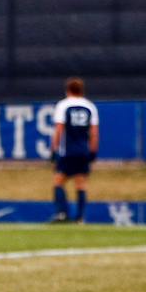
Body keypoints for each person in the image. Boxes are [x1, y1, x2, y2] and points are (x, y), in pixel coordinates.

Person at [48, 77, 99, 224]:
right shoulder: (90, 107)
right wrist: (93, 150)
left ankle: (62, 213)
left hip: (67, 150)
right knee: (81, 183)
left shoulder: (63, 105)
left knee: (58, 181)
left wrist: (53, 148)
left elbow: (58, 129)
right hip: (83, 150)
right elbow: (94, 132)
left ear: (68, 90)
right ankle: (80, 217)